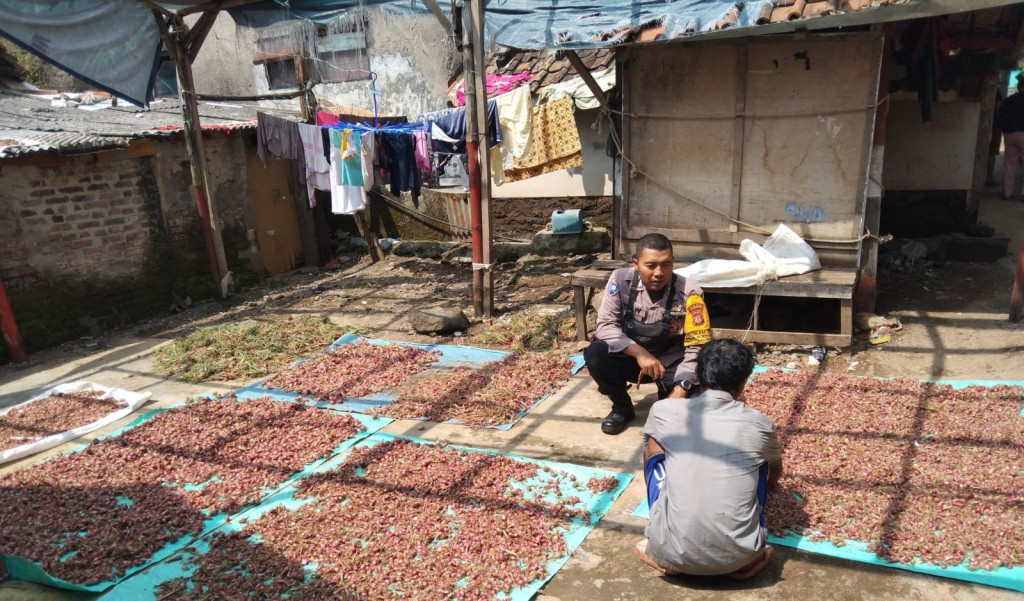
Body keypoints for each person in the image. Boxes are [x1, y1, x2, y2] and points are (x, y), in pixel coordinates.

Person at [634, 338, 782, 579]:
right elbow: (776, 470)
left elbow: (652, 456)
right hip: (742, 558)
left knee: (654, 446)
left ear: (697, 374)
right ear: (743, 382)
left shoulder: (663, 410)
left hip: (670, 554)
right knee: (761, 460)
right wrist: (773, 485)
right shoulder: (759, 423)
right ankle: (747, 562)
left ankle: (665, 549)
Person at [583, 233, 710, 435]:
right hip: (632, 360)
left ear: (673, 263)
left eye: (666, 265)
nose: (659, 273)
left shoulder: (691, 292)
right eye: (651, 266)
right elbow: (606, 325)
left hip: (672, 363)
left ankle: (667, 391)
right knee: (596, 353)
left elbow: (698, 346)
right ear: (636, 263)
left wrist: (682, 387)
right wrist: (640, 354)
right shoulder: (620, 280)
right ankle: (621, 406)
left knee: (693, 414)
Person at [999, 74, 1024, 200]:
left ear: (1019, 86)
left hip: (1009, 134)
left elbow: (1001, 116)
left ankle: (1007, 193)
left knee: (1010, 164)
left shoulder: (1009, 100)